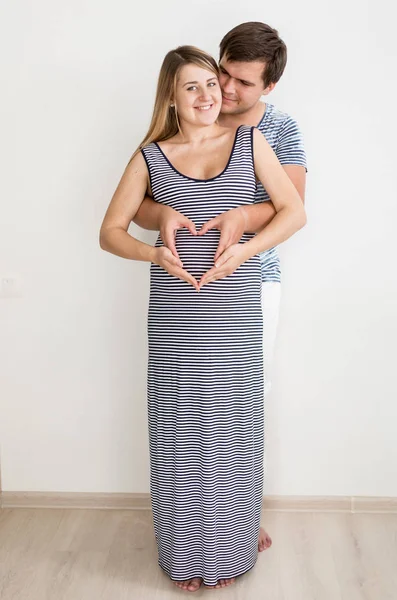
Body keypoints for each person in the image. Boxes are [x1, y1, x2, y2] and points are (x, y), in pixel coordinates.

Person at [99, 45, 306, 592]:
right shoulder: (149, 156)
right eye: (192, 87)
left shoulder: (250, 140)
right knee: (178, 428)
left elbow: (295, 210)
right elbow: (111, 231)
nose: (207, 96)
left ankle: (232, 550)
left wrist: (244, 250)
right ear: (172, 95)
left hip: (235, 303)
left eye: (211, 85)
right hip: (175, 311)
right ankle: (184, 555)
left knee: (232, 423)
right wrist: (154, 253)